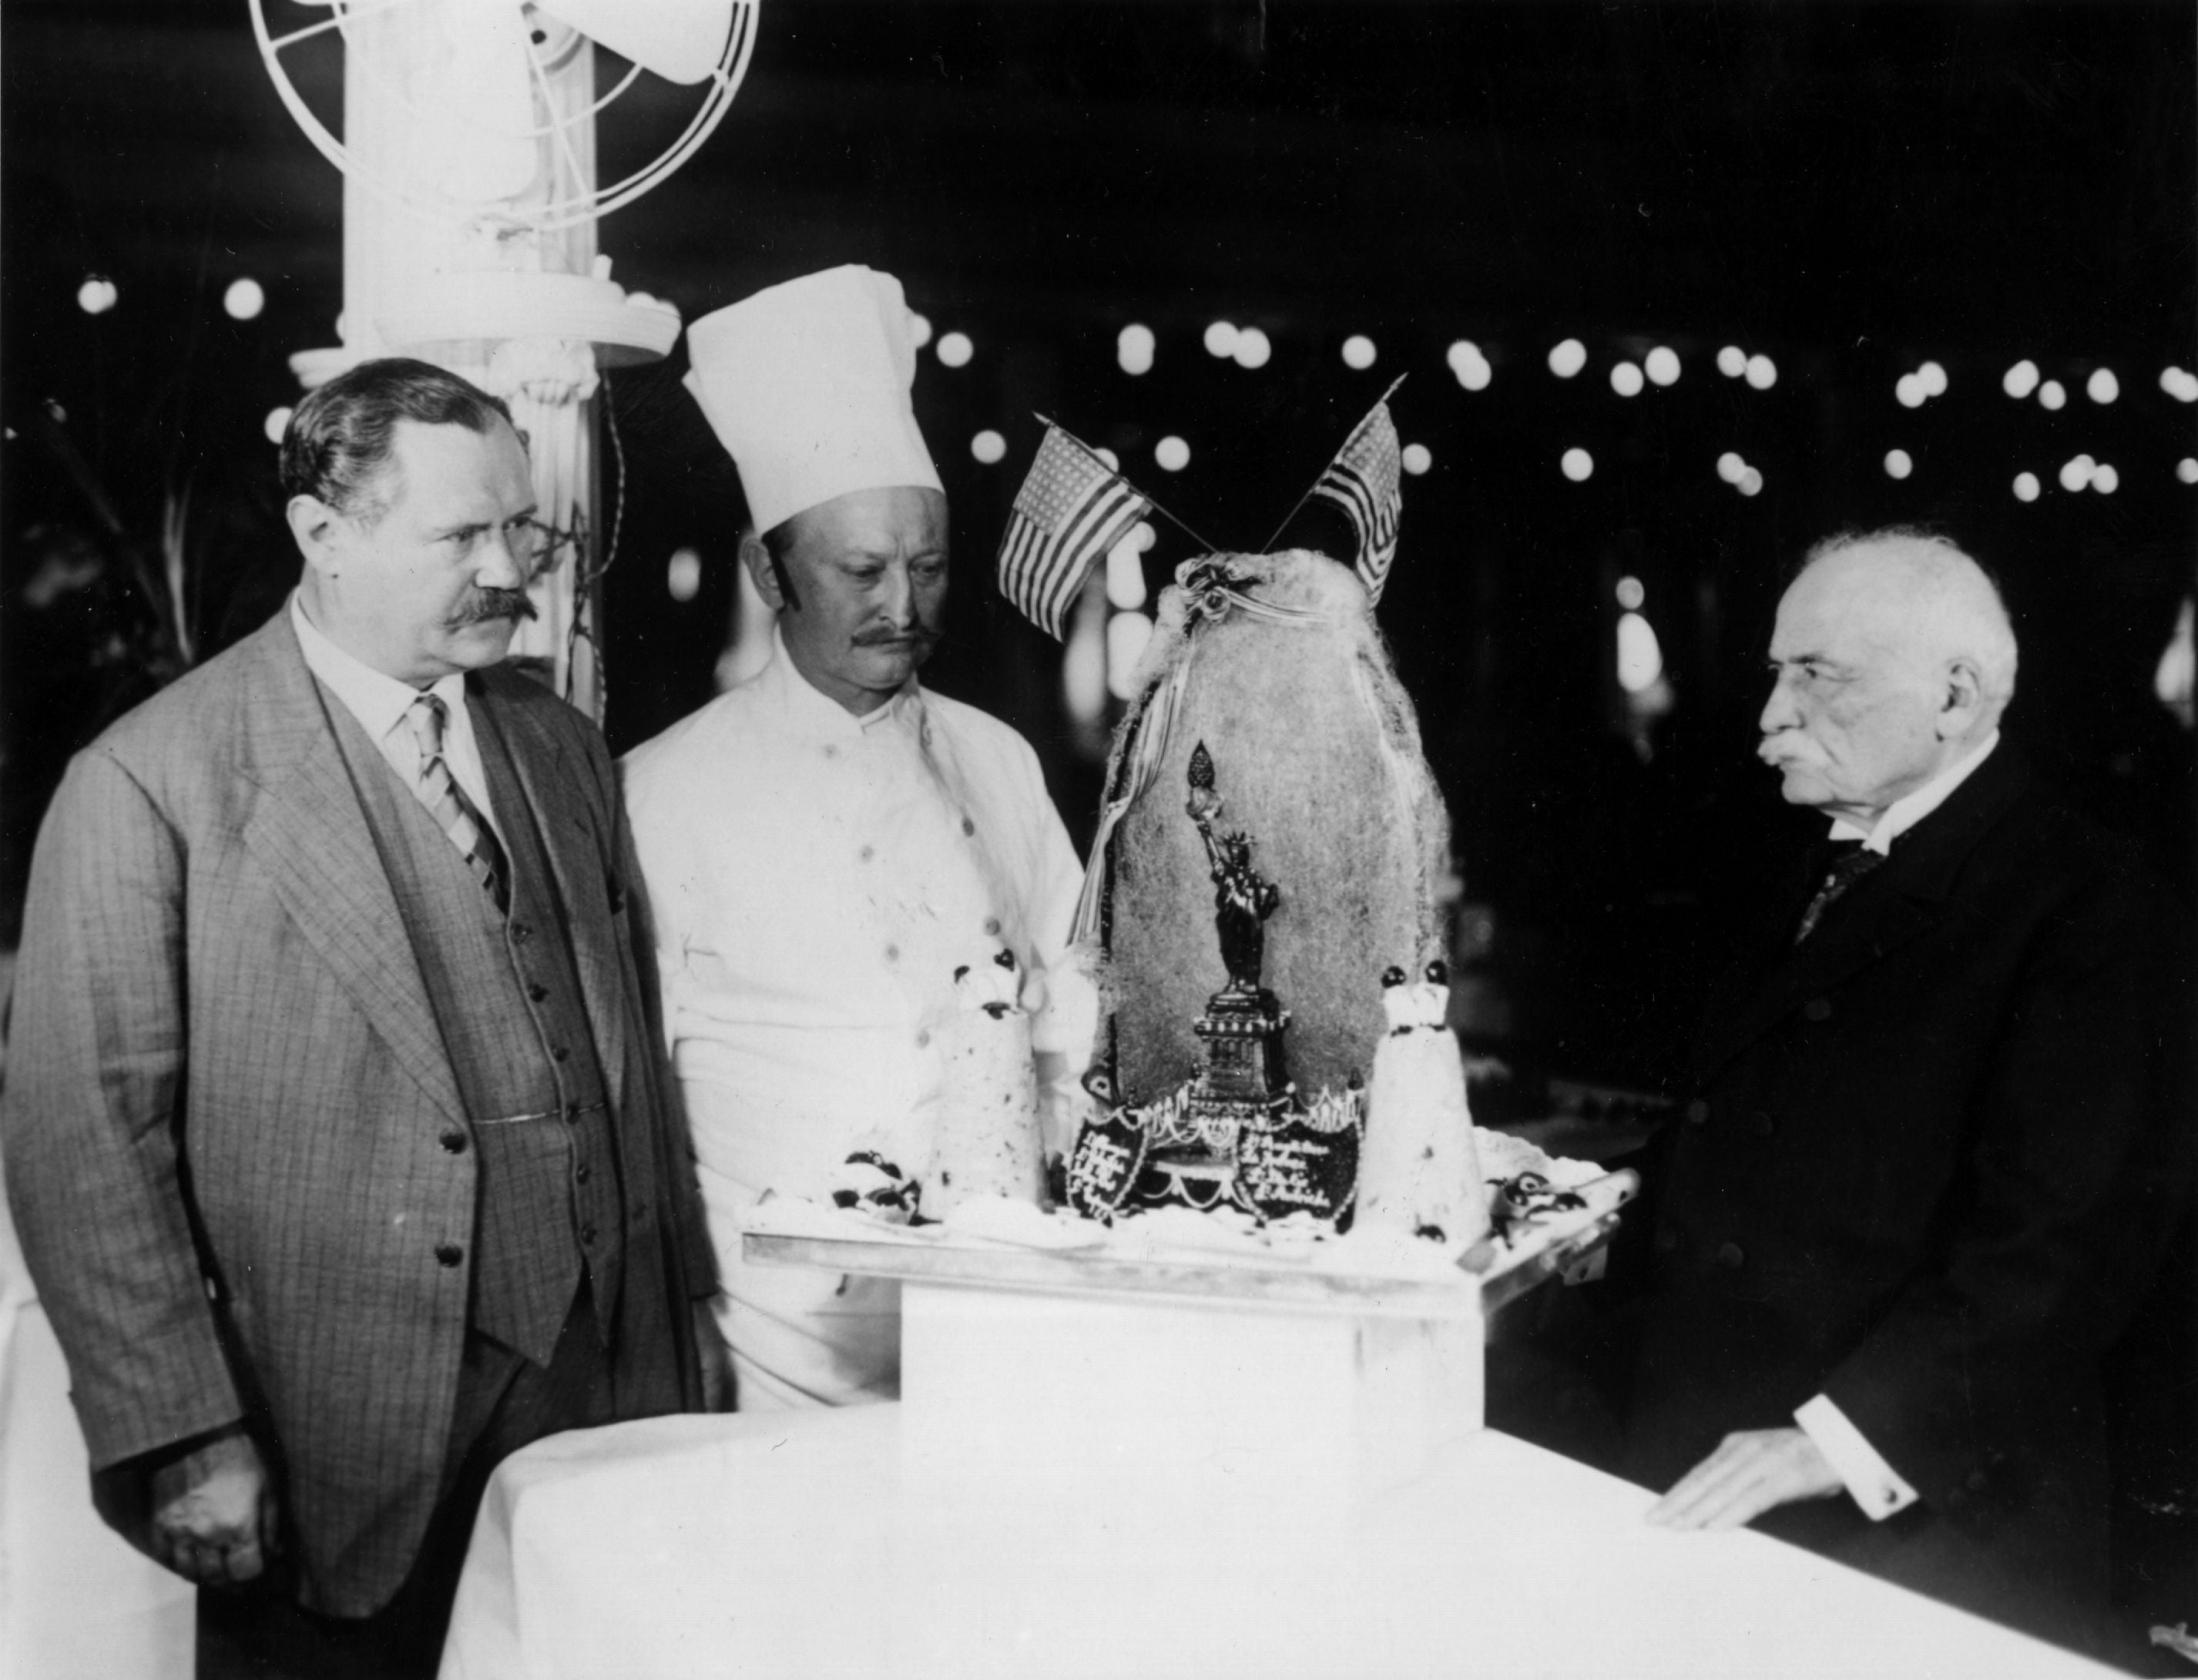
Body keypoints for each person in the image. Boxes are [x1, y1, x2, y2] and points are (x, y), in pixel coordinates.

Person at [2, 357, 719, 1678]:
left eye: (521, 527)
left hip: (600, 1406)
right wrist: (181, 1435)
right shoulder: (147, 782)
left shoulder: (554, 744)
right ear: (322, 535)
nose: (510, 568)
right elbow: (81, 1145)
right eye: (460, 535)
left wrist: (678, 1363)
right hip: (333, 1433)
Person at [1611, 528, 2189, 1657]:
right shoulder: (1813, 863)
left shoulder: (2093, 908)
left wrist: (1831, 1443)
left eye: (1813, 677)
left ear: (1954, 696)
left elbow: (2063, 1252)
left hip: (1924, 1525)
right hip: (1718, 1478)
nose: (1769, 715)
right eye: (1774, 675)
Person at [622, 264, 1093, 1410]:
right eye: (862, 571)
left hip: (999, 1316)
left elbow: (1075, 1004)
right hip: (768, 1338)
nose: (904, 605)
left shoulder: (999, 757)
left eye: (927, 567)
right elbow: (633, 1095)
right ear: (766, 570)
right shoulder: (661, 788)